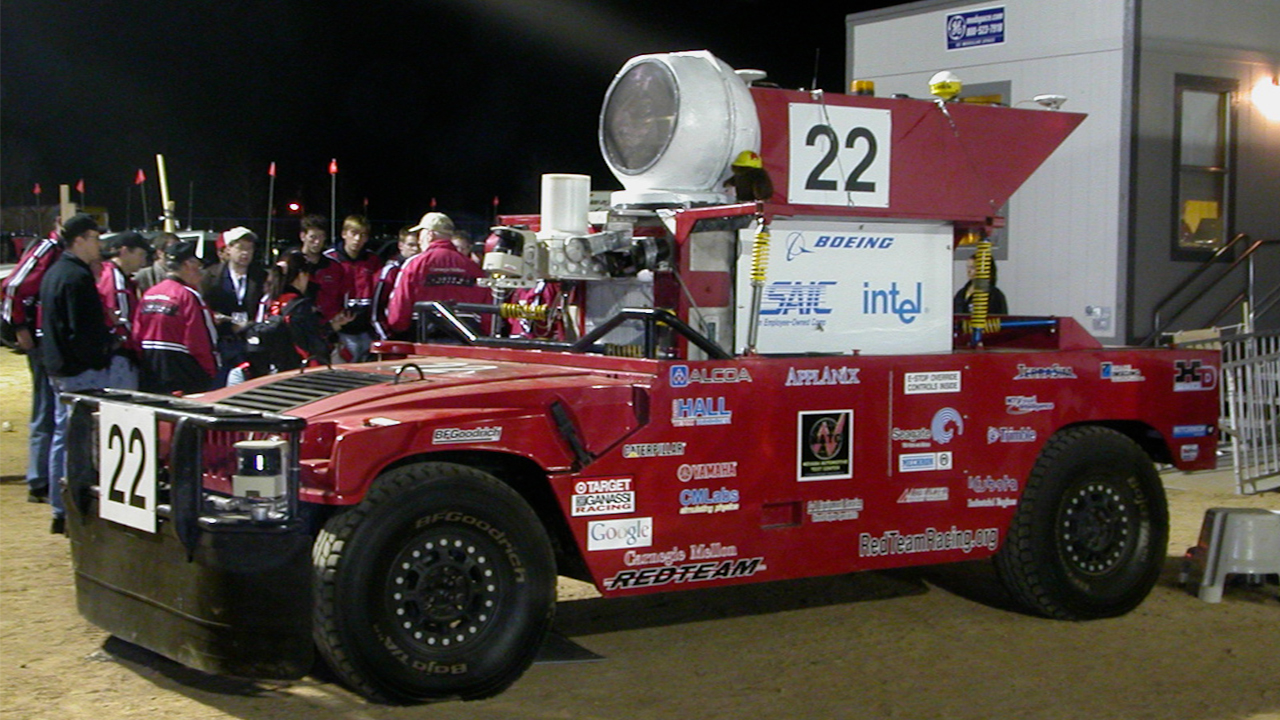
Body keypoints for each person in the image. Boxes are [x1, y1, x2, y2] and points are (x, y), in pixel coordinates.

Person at [39, 214, 122, 535]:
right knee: (80, 440)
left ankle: (60, 507)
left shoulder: (55, 272)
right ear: (80, 240)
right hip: (79, 370)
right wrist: (100, 354)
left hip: (59, 366)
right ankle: (73, 506)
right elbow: (81, 330)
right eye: (94, 238)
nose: (99, 244)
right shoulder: (76, 276)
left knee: (63, 436)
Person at [1, 230, 61, 504]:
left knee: (48, 408)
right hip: (42, 341)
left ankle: (43, 477)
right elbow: (12, 286)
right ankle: (39, 480)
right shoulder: (49, 248)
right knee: (45, 407)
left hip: (48, 340)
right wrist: (19, 326)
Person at [242, 251, 351, 379]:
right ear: (301, 275)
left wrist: (333, 325)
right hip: (300, 370)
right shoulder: (300, 306)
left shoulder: (270, 301)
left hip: (275, 369)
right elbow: (312, 341)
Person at [135, 240, 220, 395]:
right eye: (199, 266)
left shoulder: (150, 294)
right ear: (188, 264)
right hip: (182, 373)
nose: (201, 272)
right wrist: (210, 371)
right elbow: (200, 339)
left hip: (149, 369)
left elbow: (137, 333)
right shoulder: (188, 296)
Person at [386, 212, 490, 337]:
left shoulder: (415, 263)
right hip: (466, 338)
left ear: (429, 234)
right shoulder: (473, 267)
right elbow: (487, 311)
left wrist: (398, 329)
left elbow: (399, 311)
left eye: (420, 233)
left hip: (424, 336)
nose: (419, 240)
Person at [201, 227, 266, 385]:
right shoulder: (211, 276)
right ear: (228, 249)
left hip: (251, 339)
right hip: (223, 339)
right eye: (240, 248)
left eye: (249, 249)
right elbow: (204, 305)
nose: (245, 253)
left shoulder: (261, 276)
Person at [96, 231, 154, 390]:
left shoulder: (115, 275)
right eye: (140, 254)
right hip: (120, 353)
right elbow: (122, 319)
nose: (143, 261)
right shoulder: (115, 279)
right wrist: (136, 347)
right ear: (124, 251)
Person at [323, 215, 383, 361]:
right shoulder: (330, 259)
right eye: (354, 233)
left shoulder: (373, 260)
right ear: (344, 234)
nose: (357, 239)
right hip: (339, 330)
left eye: (362, 235)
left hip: (366, 329)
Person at [371, 225, 421, 340]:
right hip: (395, 334)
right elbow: (376, 310)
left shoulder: (425, 270)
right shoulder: (390, 272)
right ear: (400, 245)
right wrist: (386, 337)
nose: (415, 249)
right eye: (411, 245)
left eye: (419, 245)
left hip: (421, 334)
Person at [297, 214, 346, 325]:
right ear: (303, 236)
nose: (317, 242)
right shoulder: (291, 263)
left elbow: (341, 297)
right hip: (297, 325)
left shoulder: (334, 267)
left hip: (327, 326)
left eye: (321, 237)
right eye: (313, 237)